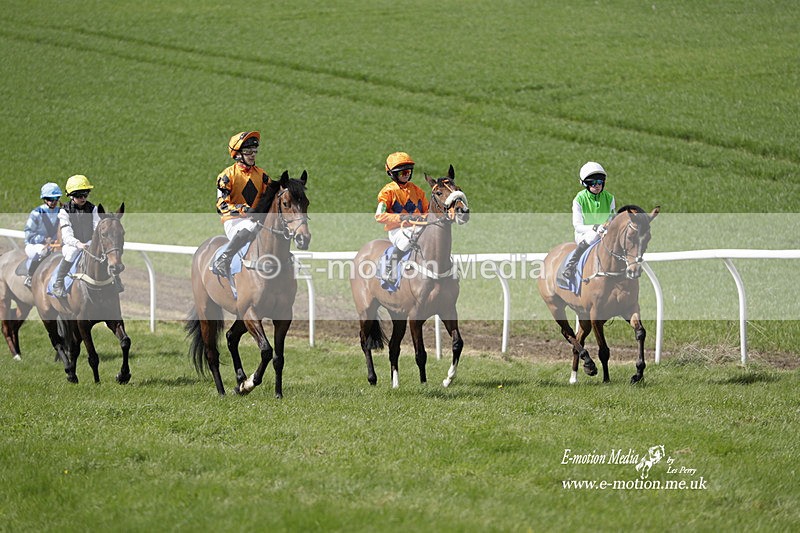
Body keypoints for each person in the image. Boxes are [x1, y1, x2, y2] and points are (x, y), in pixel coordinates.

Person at [211, 131, 279, 278]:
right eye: (248, 151)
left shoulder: (262, 175)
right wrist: (245, 210)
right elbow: (221, 206)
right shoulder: (227, 176)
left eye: (254, 151)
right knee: (250, 226)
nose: (252, 154)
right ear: (237, 154)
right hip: (234, 221)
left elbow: (273, 196)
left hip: (255, 219)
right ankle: (224, 259)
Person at [374, 151, 429, 284]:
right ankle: (389, 268)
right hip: (398, 230)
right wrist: (401, 218)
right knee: (407, 241)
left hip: (418, 227)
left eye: (408, 172)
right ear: (392, 174)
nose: (406, 175)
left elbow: (427, 210)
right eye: (402, 173)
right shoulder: (388, 192)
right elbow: (379, 216)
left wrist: (425, 218)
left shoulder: (418, 191)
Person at [559, 161, 616, 284]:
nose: (597, 186)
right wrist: (596, 228)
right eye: (593, 183)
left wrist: (607, 226)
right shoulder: (579, 199)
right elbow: (578, 226)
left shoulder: (610, 198)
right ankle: (571, 265)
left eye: (600, 182)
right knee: (593, 235)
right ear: (585, 184)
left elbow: (612, 218)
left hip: (605, 233)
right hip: (585, 235)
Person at [51, 175, 101, 297]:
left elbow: (97, 227)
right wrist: (78, 244)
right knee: (72, 252)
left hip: (89, 242)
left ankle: (114, 281)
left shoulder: (93, 208)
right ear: (71, 196)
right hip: (71, 244)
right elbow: (67, 236)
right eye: (79, 196)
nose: (83, 198)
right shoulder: (64, 211)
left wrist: (92, 242)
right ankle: (58, 282)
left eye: (85, 194)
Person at [23, 183, 63, 288]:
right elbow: (28, 234)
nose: (53, 202)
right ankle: (30, 276)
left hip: (54, 244)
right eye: (50, 199)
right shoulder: (36, 213)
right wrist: (44, 239)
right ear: (44, 199)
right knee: (43, 251)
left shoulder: (61, 212)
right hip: (34, 245)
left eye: (56, 198)